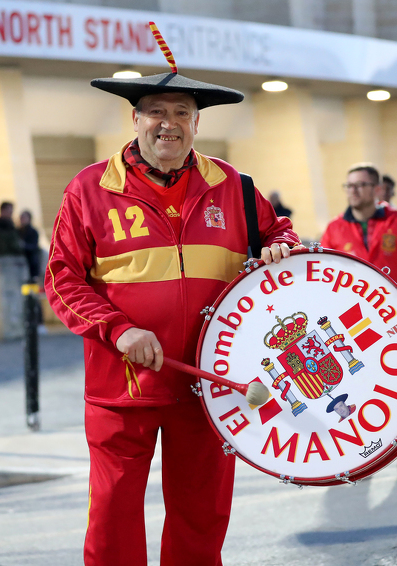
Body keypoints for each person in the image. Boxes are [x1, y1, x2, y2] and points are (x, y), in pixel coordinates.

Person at [45, 49, 300, 565]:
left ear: (197, 123)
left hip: (211, 385)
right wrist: (118, 330)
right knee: (114, 514)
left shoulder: (233, 185)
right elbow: (61, 278)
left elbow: (281, 233)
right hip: (123, 385)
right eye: (157, 111)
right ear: (135, 118)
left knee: (201, 514)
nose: (170, 123)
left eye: (182, 112)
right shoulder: (89, 190)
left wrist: (284, 247)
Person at [321, 165, 397, 481]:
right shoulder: (334, 230)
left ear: (376, 189)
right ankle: (361, 460)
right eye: (349, 185)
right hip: (351, 329)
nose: (353, 191)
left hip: (396, 325)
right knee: (355, 392)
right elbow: (322, 276)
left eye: (361, 185)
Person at [17, 210, 41, 282]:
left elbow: (34, 246)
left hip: (31, 262)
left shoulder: (33, 232)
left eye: (24, 218)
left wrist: (24, 245)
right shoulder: (18, 231)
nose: (22, 220)